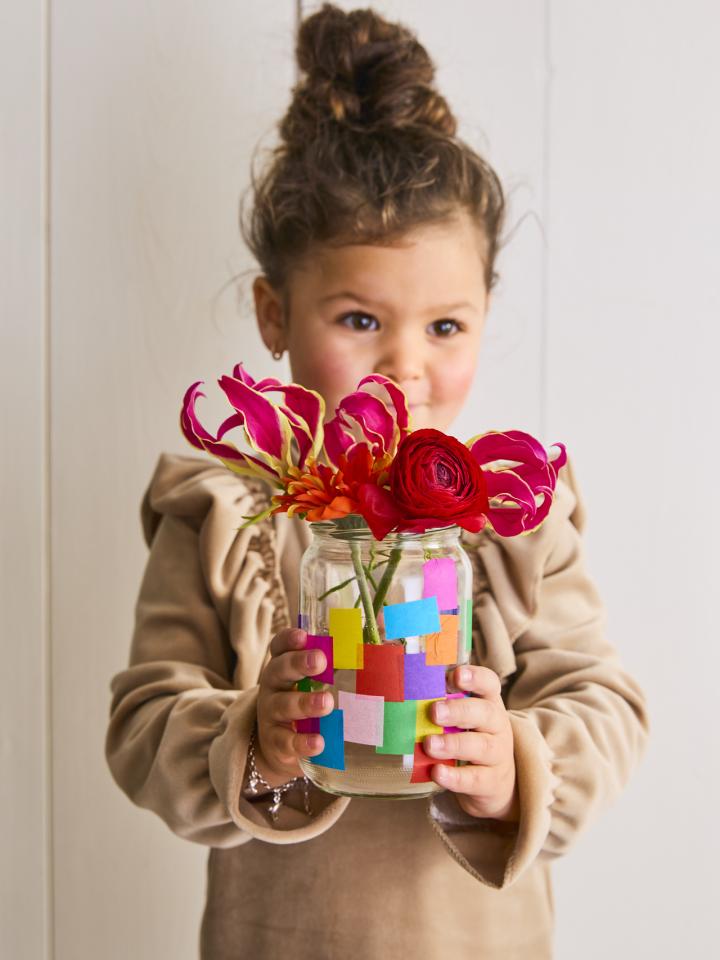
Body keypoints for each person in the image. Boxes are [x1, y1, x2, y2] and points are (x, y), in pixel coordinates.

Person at [105, 4, 648, 958]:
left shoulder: (514, 515)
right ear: (275, 314)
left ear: (484, 316)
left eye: (445, 326)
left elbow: (603, 702)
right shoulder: (223, 511)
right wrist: (252, 739)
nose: (404, 366)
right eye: (360, 320)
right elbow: (146, 722)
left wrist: (512, 767)